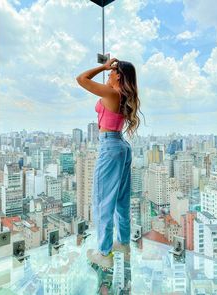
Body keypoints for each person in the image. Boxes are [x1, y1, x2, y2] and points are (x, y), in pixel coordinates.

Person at [76, 58, 143, 268]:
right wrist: (111, 73)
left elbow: (81, 79)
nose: (108, 73)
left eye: (112, 72)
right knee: (121, 201)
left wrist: (102, 66)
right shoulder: (119, 94)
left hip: (110, 147)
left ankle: (104, 253)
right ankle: (122, 243)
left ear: (119, 76)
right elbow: (106, 87)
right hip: (121, 146)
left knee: (102, 201)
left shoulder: (112, 94)